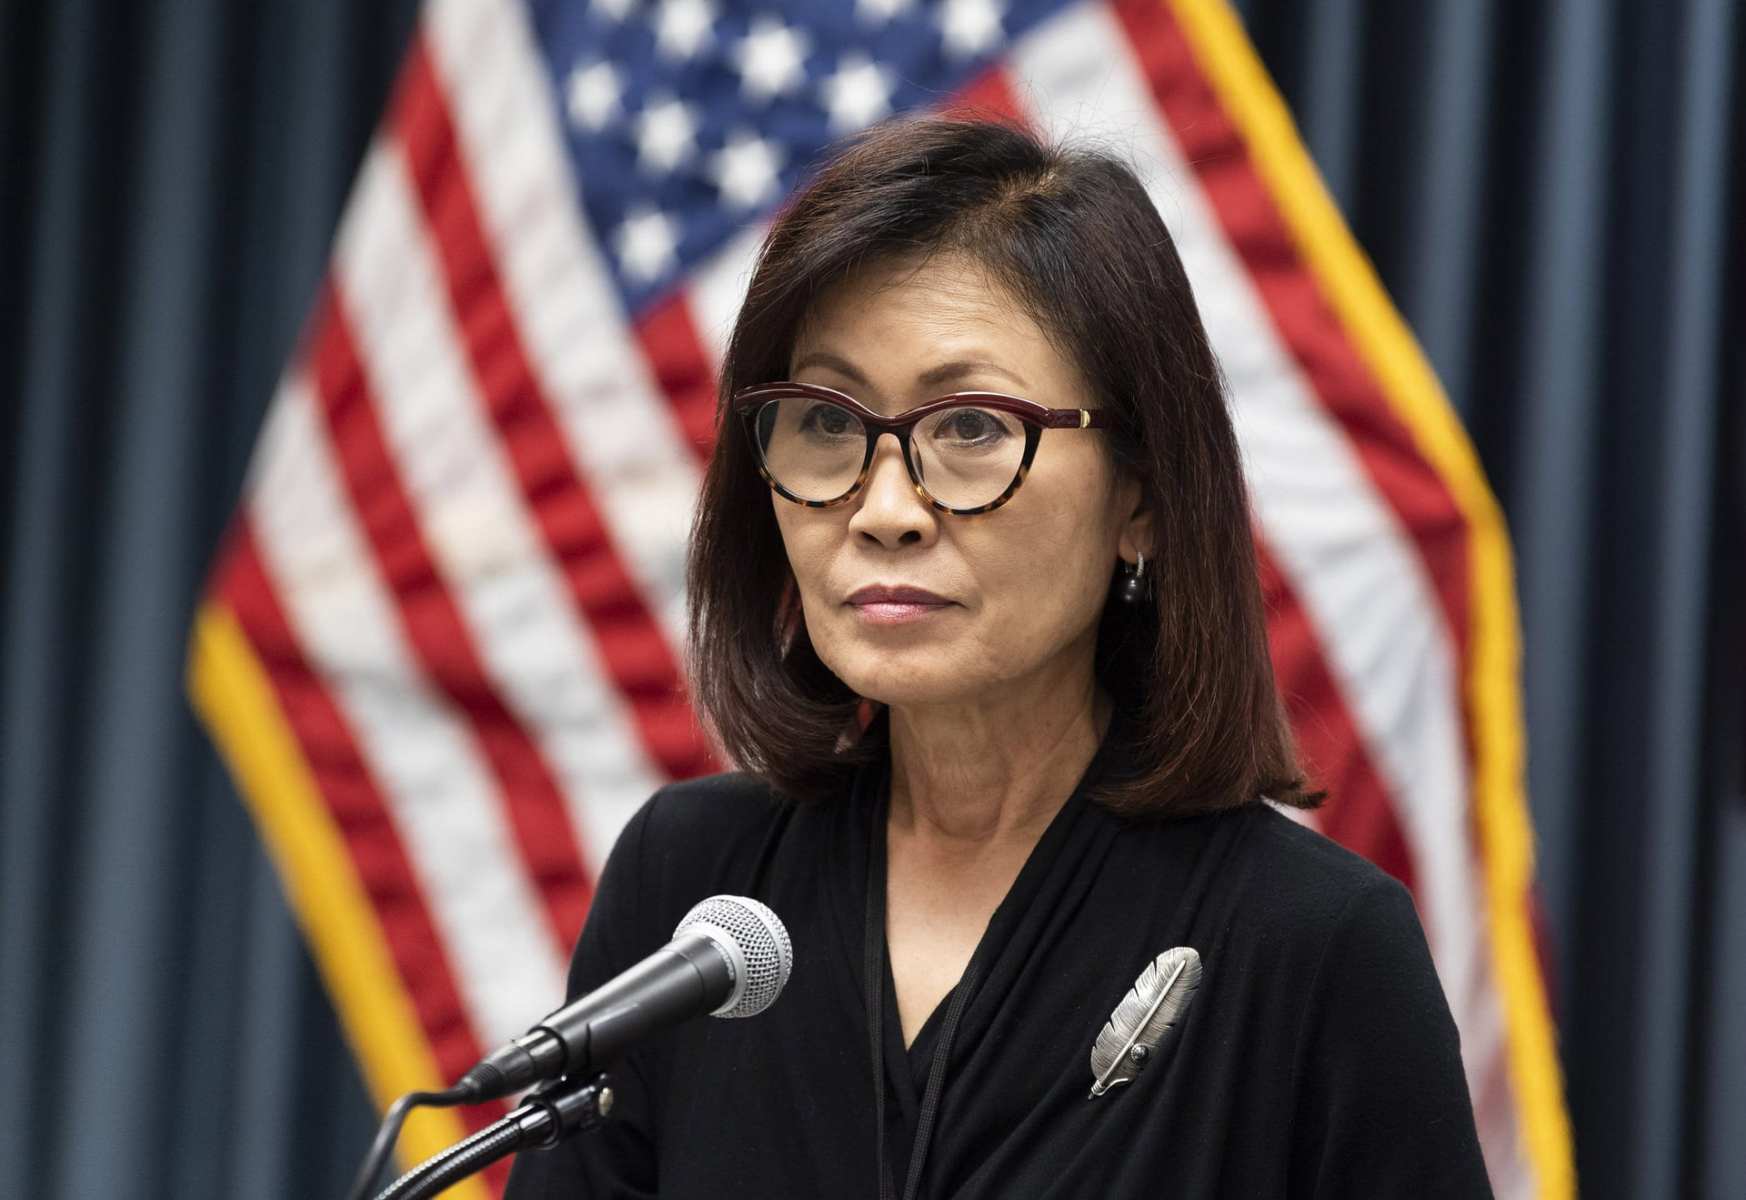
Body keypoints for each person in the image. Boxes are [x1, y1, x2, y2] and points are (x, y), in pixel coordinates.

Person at [503, 114, 1492, 1199]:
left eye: (970, 428)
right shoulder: (691, 893)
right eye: (827, 423)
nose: (884, 509)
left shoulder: (1311, 947)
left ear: (1143, 497)